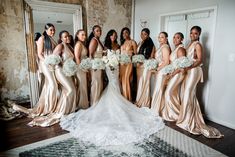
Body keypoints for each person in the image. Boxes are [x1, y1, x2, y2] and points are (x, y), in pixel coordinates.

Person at [60, 51, 164, 146]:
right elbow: (94, 55)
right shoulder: (105, 55)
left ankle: (116, 98)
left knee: (115, 83)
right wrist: (109, 61)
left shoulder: (114, 55)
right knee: (112, 83)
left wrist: (114, 61)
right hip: (109, 66)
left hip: (115, 66)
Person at [176, 26, 223, 138]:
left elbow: (200, 59)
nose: (193, 35)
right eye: (191, 33)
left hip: (194, 71)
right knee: (188, 94)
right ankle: (189, 118)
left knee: (187, 93)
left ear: (199, 34)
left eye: (195, 33)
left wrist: (189, 66)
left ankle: (187, 121)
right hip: (188, 70)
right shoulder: (189, 45)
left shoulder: (198, 45)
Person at [13, 23, 58, 126]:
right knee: (52, 84)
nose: (53, 32)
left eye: (54, 30)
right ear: (45, 30)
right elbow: (39, 54)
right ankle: (50, 108)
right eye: (51, 30)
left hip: (51, 64)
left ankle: (46, 105)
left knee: (48, 85)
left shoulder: (52, 39)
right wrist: (48, 62)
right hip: (45, 64)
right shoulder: (42, 38)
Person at [161, 32, 186, 121]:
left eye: (178, 38)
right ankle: (171, 112)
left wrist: (172, 74)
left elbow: (181, 66)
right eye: (174, 37)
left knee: (168, 92)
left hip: (178, 74)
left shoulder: (180, 50)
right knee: (173, 93)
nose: (175, 39)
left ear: (182, 39)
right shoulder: (175, 49)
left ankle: (175, 114)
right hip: (174, 73)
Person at [151, 32, 171, 115]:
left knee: (158, 89)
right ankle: (157, 108)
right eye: (159, 37)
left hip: (162, 71)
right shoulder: (161, 47)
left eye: (162, 37)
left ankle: (156, 110)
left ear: (166, 38)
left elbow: (166, 62)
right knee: (157, 89)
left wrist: (157, 69)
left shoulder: (165, 47)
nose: (160, 39)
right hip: (160, 70)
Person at [135, 28, 155, 108]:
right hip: (138, 66)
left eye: (145, 34)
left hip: (144, 66)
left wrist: (142, 61)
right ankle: (138, 99)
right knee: (139, 83)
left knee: (143, 83)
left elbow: (150, 56)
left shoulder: (150, 44)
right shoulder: (140, 42)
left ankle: (144, 102)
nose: (143, 35)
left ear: (148, 35)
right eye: (142, 33)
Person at [88, 25, 104, 106]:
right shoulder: (94, 40)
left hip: (99, 66)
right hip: (95, 66)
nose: (99, 32)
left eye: (100, 30)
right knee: (96, 84)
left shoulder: (98, 40)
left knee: (99, 83)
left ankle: (98, 103)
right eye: (97, 31)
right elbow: (90, 54)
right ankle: (94, 103)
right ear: (94, 32)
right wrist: (93, 66)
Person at [120, 27, 137, 101]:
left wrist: (131, 56)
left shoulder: (132, 42)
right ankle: (123, 96)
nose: (124, 34)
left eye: (126, 32)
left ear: (129, 33)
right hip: (122, 64)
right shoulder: (122, 42)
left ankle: (127, 98)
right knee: (122, 79)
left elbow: (136, 54)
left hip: (128, 64)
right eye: (123, 33)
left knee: (127, 79)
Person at [74, 29, 89, 109]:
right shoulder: (78, 44)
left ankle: (84, 104)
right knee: (82, 86)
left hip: (83, 67)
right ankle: (82, 105)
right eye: (82, 34)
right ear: (77, 35)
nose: (84, 36)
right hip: (80, 68)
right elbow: (77, 57)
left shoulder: (82, 44)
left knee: (83, 86)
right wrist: (82, 68)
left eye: (85, 34)